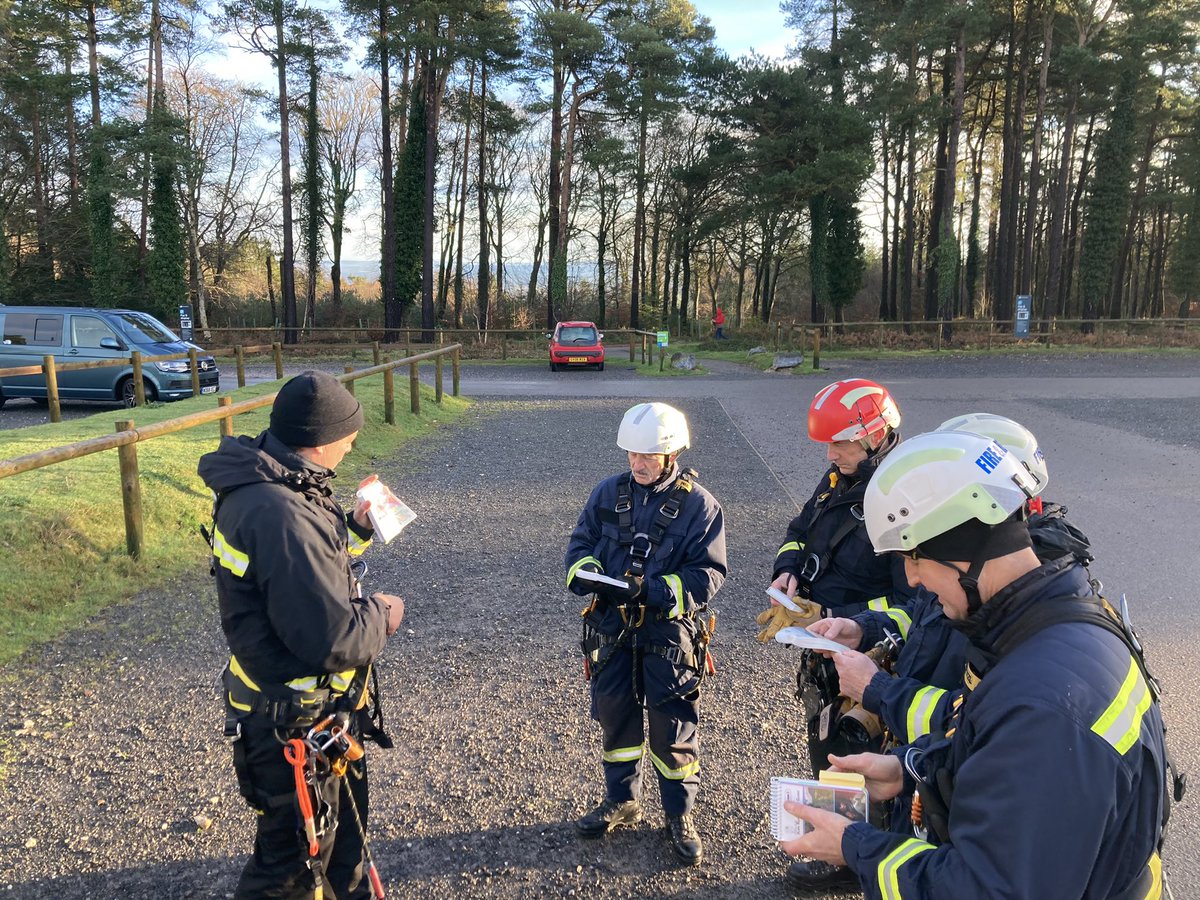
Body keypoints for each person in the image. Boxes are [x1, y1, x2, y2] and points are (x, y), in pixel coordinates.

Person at [780, 430, 1170, 899]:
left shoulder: (1043, 702)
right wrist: (912, 767)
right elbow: (994, 739)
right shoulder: (1046, 629)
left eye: (915, 558)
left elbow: (984, 889)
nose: (911, 578)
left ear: (962, 550)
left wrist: (854, 845)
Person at [198, 370, 405, 899]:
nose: (355, 442)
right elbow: (331, 637)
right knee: (291, 867)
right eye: (350, 433)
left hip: (314, 715)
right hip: (291, 721)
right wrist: (383, 614)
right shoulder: (280, 513)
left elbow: (307, 578)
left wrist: (354, 531)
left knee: (342, 845)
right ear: (321, 438)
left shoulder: (279, 481)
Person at [757, 377, 915, 891]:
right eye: (828, 443)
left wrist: (837, 612)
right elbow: (799, 531)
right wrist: (790, 573)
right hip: (822, 646)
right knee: (823, 746)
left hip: (870, 658)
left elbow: (914, 602)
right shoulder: (836, 480)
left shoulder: (900, 501)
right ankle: (834, 839)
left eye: (842, 441)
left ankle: (854, 857)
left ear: (875, 435)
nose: (832, 452)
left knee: (856, 752)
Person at [566, 402, 727, 865]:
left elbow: (708, 576)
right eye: (632, 454)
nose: (637, 464)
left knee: (672, 728)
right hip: (611, 629)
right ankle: (623, 801)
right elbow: (579, 544)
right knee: (615, 717)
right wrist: (586, 572)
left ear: (672, 453)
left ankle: (680, 815)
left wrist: (654, 591)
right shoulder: (606, 493)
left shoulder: (700, 506)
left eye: (648, 457)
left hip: (667, 635)